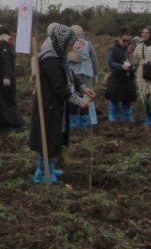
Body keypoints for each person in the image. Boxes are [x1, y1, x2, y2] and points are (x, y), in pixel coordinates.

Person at [28, 24, 95, 183]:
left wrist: (83, 88)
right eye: (70, 45)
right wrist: (78, 101)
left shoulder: (59, 55)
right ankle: (42, 172)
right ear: (62, 42)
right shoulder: (50, 58)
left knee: (55, 135)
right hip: (48, 104)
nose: (72, 48)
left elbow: (69, 73)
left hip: (56, 104)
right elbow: (59, 86)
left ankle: (49, 167)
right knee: (48, 136)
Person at [67, 25, 100, 130]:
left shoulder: (68, 44)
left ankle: (74, 122)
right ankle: (89, 121)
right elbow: (94, 59)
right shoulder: (88, 44)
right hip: (86, 73)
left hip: (73, 74)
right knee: (87, 97)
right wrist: (96, 73)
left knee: (74, 97)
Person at [105, 31, 137, 122]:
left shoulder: (130, 50)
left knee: (127, 101)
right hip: (116, 78)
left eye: (128, 41)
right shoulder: (113, 49)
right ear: (119, 39)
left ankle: (128, 120)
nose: (126, 42)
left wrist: (132, 65)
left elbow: (135, 62)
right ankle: (112, 120)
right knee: (114, 101)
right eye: (124, 40)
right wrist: (121, 67)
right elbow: (110, 62)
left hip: (128, 79)